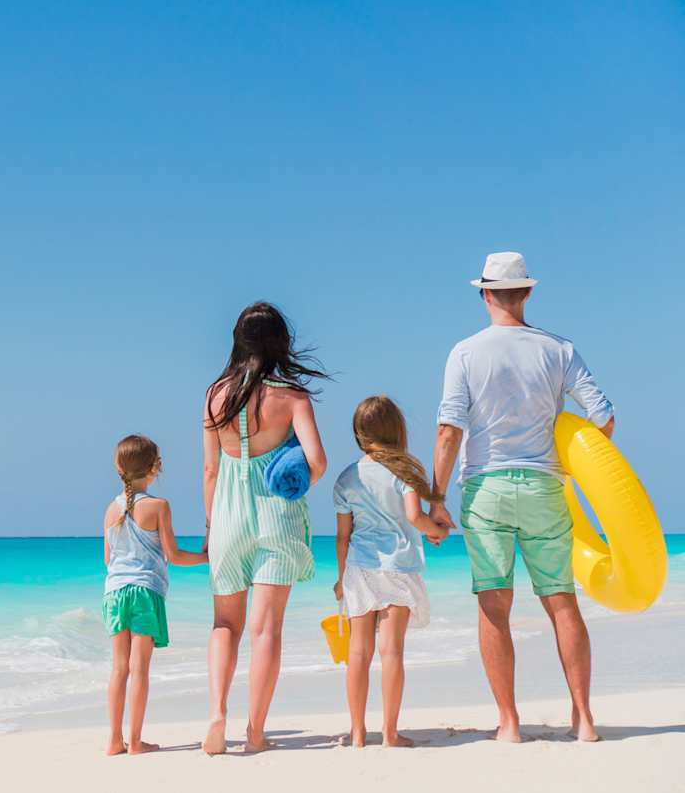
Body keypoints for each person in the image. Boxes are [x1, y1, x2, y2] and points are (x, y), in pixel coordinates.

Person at [429, 252, 614, 743]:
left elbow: (449, 430)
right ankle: (584, 719)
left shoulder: (465, 353)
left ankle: (509, 723)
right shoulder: (559, 349)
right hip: (544, 486)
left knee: (494, 604)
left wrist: (436, 498)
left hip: (485, 488)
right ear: (528, 292)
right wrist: (583, 468)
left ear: (484, 294)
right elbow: (603, 418)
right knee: (561, 601)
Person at [201, 302, 329, 754]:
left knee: (224, 624)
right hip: (277, 513)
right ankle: (256, 733)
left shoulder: (215, 395)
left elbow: (211, 471)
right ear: (280, 342)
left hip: (229, 517)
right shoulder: (292, 397)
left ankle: (217, 711)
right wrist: (287, 476)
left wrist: (214, 526)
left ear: (238, 340)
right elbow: (317, 463)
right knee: (266, 629)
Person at [332, 396, 450, 747]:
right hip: (398, 567)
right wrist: (437, 530)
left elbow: (342, 537)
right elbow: (415, 517)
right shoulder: (405, 471)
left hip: (360, 569)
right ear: (396, 428)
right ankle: (390, 733)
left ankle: (356, 733)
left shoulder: (347, 477)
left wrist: (341, 579)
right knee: (392, 652)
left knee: (358, 652)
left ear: (358, 432)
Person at [102, 434, 208, 756]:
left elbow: (108, 560)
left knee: (119, 668)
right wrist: (207, 557)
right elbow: (174, 556)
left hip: (114, 593)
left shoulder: (110, 509)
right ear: (154, 468)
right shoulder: (159, 506)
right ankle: (135, 741)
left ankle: (113, 741)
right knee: (140, 669)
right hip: (145, 592)